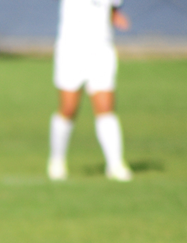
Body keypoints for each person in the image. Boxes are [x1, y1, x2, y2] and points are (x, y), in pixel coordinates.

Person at [47, 0, 132, 182]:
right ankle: (57, 160)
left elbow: (113, 9)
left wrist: (116, 15)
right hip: (71, 49)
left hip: (101, 50)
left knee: (105, 107)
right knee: (68, 108)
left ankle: (115, 164)